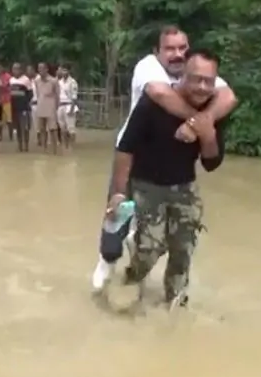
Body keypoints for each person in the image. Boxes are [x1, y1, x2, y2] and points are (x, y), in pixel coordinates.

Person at [91, 25, 238, 291]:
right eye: (170, 49)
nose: (177, 54)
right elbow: (127, 146)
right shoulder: (150, 80)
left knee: (183, 251)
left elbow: (212, 161)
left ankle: (175, 305)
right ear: (157, 52)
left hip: (182, 182)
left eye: (182, 48)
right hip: (138, 167)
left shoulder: (207, 90)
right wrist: (119, 193)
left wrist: (204, 131)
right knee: (121, 224)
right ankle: (111, 262)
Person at [33, 63, 60, 154]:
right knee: (42, 129)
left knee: (53, 129)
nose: (40, 70)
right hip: (41, 105)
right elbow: (37, 93)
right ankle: (44, 149)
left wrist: (56, 107)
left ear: (47, 69)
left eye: (42, 68)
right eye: (39, 68)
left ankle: (55, 150)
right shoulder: (37, 81)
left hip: (51, 106)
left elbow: (57, 95)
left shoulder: (53, 81)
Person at [8, 63, 33, 151]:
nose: (15, 71)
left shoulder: (26, 80)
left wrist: (24, 102)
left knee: (25, 127)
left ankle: (26, 146)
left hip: (24, 108)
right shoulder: (11, 80)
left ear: (21, 70)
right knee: (17, 127)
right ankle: (20, 146)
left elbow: (30, 94)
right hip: (14, 107)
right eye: (14, 69)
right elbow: (10, 93)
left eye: (17, 69)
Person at [56, 63, 78, 148]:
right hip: (60, 106)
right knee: (62, 128)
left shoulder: (72, 82)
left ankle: (72, 146)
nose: (63, 72)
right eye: (62, 70)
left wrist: (72, 109)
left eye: (65, 70)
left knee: (71, 128)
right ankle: (65, 146)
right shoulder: (59, 82)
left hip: (69, 106)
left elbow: (74, 97)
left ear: (69, 71)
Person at [0, 66, 13, 141]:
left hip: (7, 100)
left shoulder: (8, 76)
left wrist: (2, 87)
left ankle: (11, 136)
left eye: (0, 67)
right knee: (0, 119)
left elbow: (9, 87)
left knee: (9, 120)